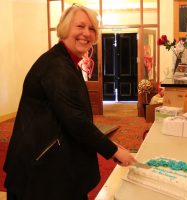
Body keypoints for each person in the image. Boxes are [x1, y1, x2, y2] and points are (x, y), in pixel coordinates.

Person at [3, 4, 136, 200]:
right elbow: (76, 121)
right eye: (80, 26)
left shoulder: (66, 61)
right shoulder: (56, 66)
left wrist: (112, 146)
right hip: (40, 173)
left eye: (91, 28)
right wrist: (113, 150)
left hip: (52, 165)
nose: (86, 33)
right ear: (65, 29)